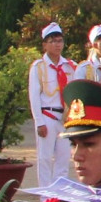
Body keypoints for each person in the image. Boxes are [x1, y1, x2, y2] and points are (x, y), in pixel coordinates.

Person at [27, 23, 74, 188]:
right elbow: (34, 96)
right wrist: (38, 121)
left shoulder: (69, 66)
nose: (57, 44)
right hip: (47, 115)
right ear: (45, 44)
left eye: (60, 41)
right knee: (45, 158)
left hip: (66, 118)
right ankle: (45, 197)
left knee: (63, 158)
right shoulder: (38, 67)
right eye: (53, 41)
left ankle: (60, 194)